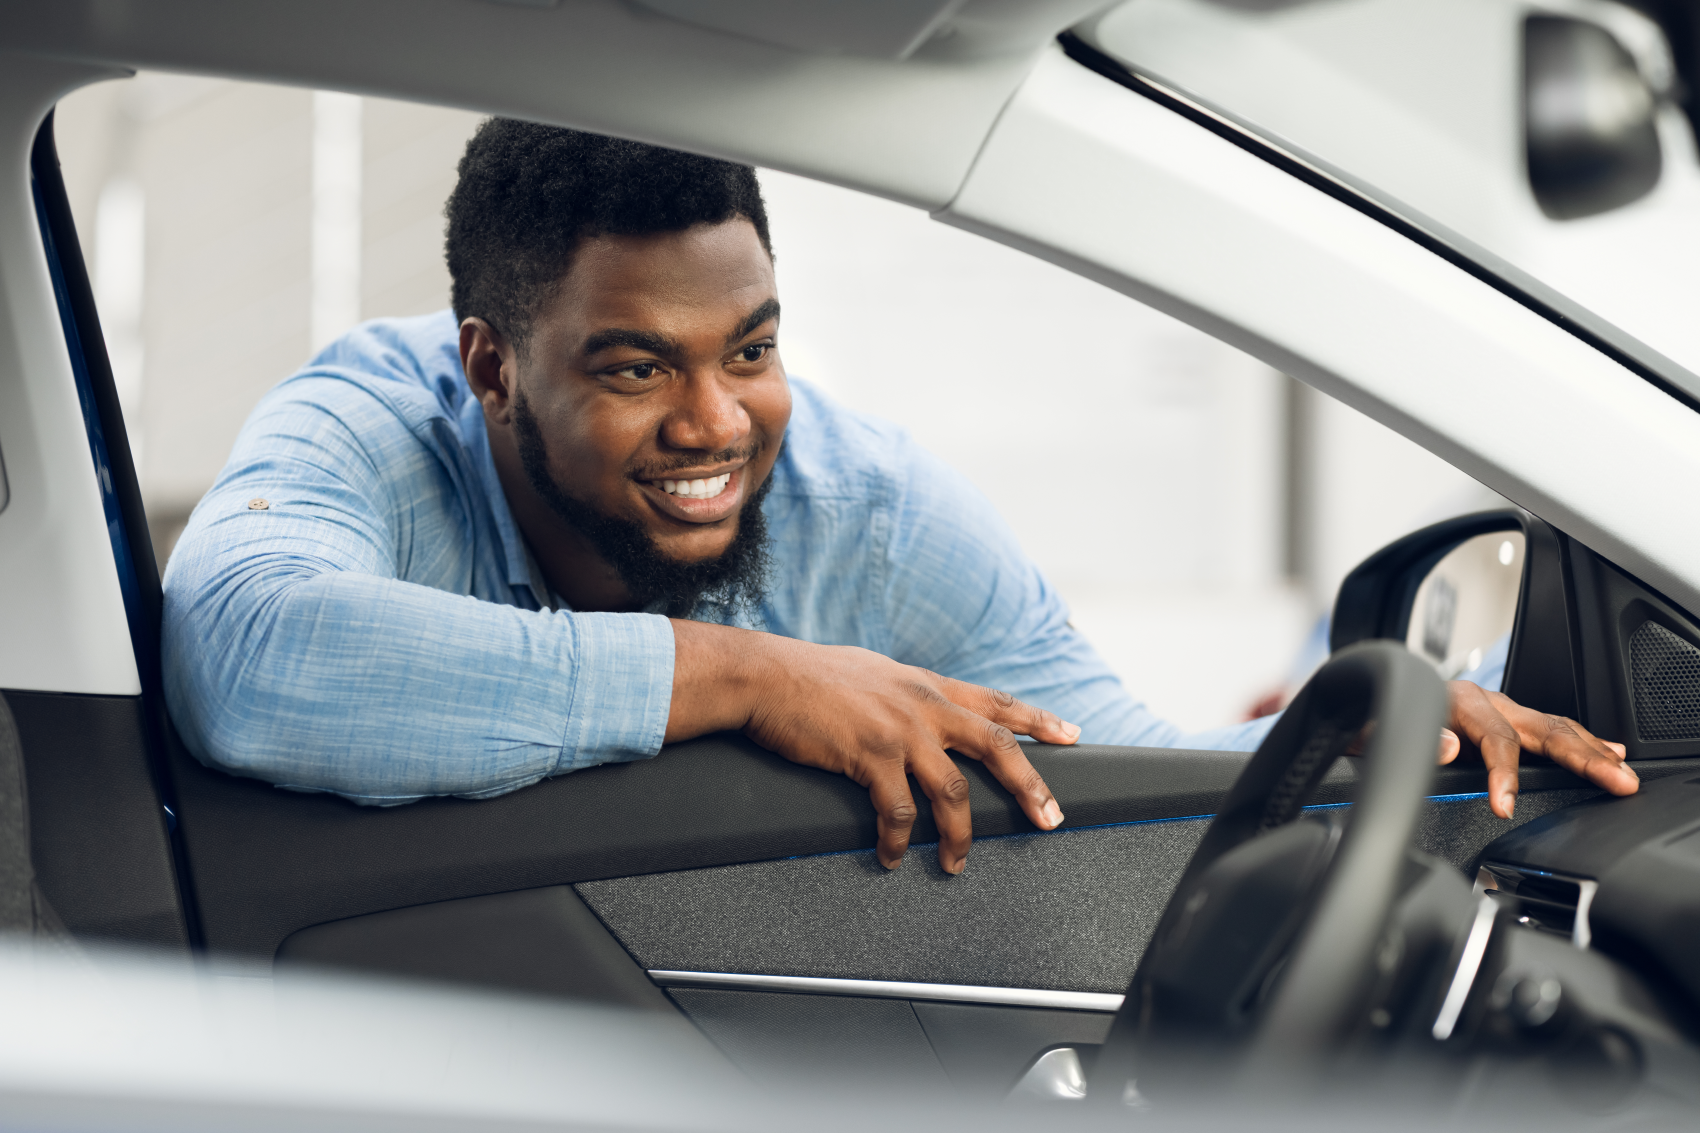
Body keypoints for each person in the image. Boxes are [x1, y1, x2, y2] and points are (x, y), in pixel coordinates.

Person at [161, 122, 1639, 875]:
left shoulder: (864, 506)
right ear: (490, 368)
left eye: (753, 347)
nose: (717, 421)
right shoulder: (371, 424)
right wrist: (744, 676)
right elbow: (247, 657)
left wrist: (1363, 724)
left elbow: (1106, 761)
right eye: (635, 369)